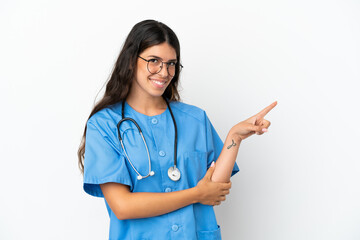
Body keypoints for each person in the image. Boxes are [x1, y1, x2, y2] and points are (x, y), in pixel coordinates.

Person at [77, 19, 277, 240]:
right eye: (154, 61)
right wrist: (196, 194)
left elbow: (213, 189)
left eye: (171, 63)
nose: (164, 72)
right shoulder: (104, 124)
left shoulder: (194, 119)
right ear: (131, 61)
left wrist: (235, 137)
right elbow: (123, 206)